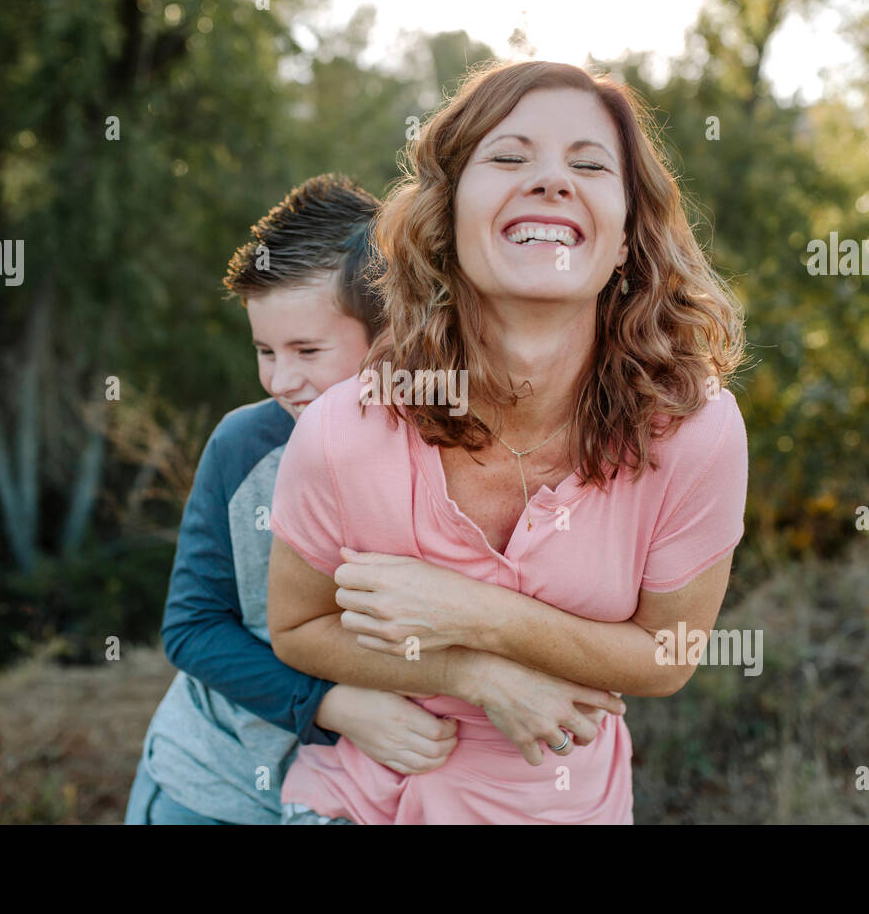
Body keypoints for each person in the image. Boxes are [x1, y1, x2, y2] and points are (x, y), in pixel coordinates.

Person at [267, 60, 751, 824]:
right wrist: (477, 674)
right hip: (353, 802)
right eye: (509, 157)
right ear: (448, 221)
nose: (553, 180)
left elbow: (668, 657)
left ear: (625, 240)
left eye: (589, 164)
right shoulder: (345, 430)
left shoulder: (695, 431)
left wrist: (472, 612)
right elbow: (296, 629)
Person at [125, 174, 460, 824]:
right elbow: (193, 629)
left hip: (359, 801)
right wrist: (333, 706)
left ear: (390, 332)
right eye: (264, 351)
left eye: (308, 350)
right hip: (208, 787)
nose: (282, 379)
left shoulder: (453, 453)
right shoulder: (243, 446)